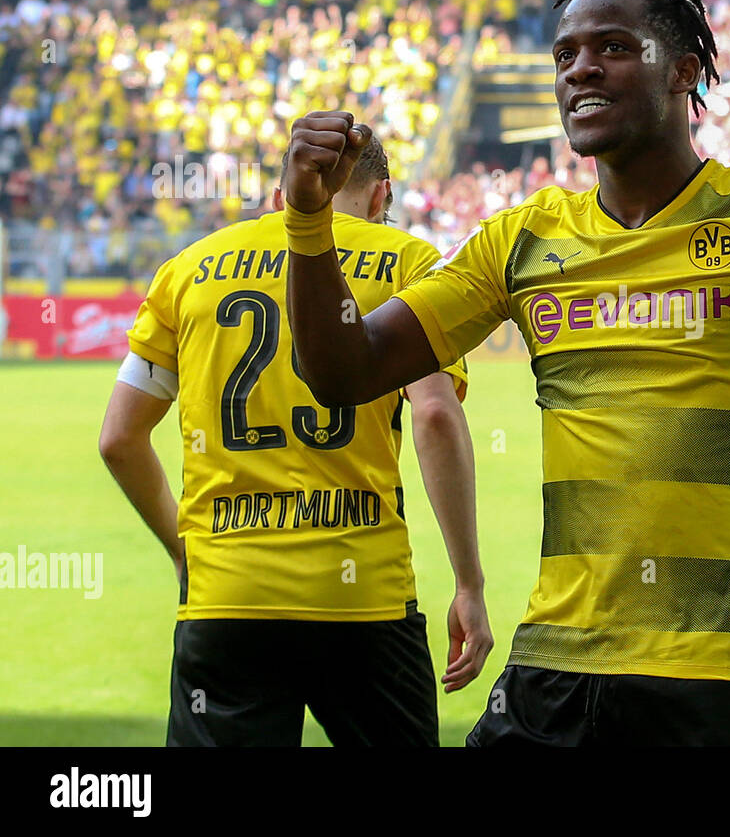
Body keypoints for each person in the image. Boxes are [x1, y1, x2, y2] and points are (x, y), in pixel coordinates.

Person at [280, 0, 730, 746]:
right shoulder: (521, 239)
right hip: (553, 667)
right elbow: (343, 371)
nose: (581, 68)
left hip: (721, 676)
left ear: (685, 72)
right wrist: (308, 222)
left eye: (615, 47)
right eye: (565, 55)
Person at [98, 134, 492, 746]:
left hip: (228, 594)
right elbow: (435, 415)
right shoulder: (409, 260)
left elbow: (119, 439)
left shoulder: (189, 268)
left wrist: (186, 552)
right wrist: (469, 583)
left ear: (281, 194)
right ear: (382, 193)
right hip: (362, 597)